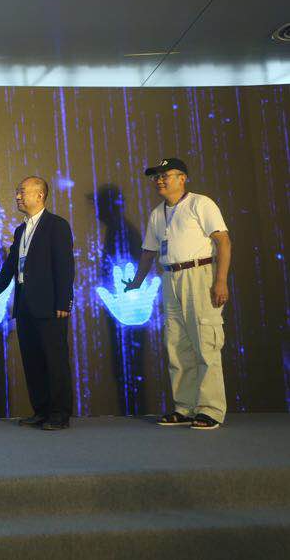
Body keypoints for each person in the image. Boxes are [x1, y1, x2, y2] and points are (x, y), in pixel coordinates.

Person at [122, 158, 230, 430]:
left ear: (182, 178)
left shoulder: (200, 203)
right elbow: (149, 251)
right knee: (176, 343)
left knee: (205, 341)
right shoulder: (157, 213)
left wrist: (220, 281)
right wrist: (136, 282)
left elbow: (223, 242)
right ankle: (185, 407)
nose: (159, 180)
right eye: (156, 177)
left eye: (165, 175)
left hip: (199, 274)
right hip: (170, 277)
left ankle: (210, 409)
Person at [0, 177, 75, 430]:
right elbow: (12, 264)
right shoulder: (20, 230)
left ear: (40, 195)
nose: (18, 197)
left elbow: (65, 266)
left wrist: (64, 301)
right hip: (24, 306)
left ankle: (60, 414)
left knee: (55, 362)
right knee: (32, 361)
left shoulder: (57, 226)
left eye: (22, 192)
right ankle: (41, 411)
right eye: (17, 192)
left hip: (50, 306)